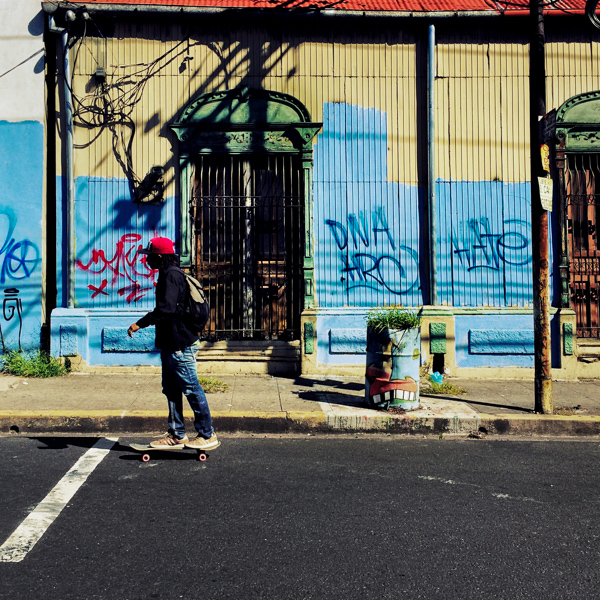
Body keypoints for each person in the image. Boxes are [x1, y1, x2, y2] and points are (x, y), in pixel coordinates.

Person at [127, 236, 218, 451]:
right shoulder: (169, 274)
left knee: (191, 388)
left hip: (180, 345)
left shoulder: (171, 276)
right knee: (171, 389)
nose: (146, 261)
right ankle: (177, 434)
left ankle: (207, 433)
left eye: (149, 257)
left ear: (159, 257)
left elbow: (166, 310)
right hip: (170, 343)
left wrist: (140, 323)